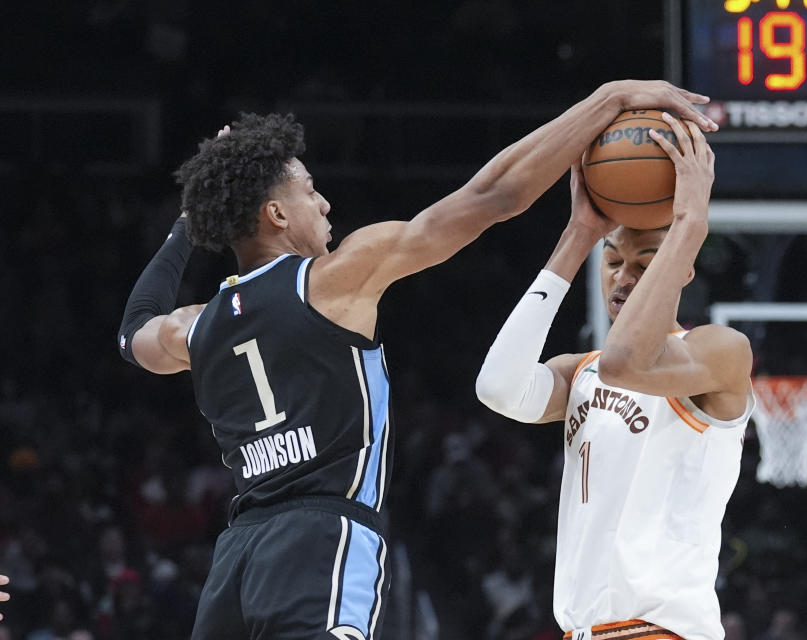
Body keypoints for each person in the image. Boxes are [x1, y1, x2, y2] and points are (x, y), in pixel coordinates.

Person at [117, 84, 717, 640]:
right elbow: (492, 197)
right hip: (321, 535)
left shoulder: (193, 326)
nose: (325, 203)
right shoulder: (332, 278)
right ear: (276, 215)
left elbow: (132, 330)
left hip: (237, 555)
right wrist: (608, 99)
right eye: (307, 190)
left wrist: (188, 223)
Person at [475, 113, 754, 639]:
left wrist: (689, 223)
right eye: (612, 262)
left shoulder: (719, 351)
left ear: (682, 268)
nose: (624, 277)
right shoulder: (580, 372)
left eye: (645, 263)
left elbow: (627, 364)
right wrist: (579, 235)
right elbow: (497, 387)